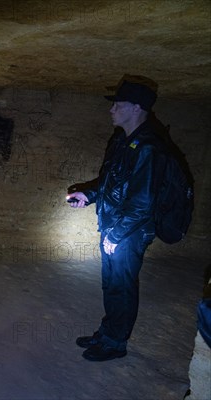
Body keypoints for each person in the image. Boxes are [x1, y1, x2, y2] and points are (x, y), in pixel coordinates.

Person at [67, 78, 165, 361]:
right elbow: (112, 181)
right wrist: (89, 194)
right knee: (112, 284)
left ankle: (115, 344)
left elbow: (143, 202)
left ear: (136, 108)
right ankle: (108, 332)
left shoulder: (148, 147)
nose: (111, 110)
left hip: (130, 230)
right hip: (115, 225)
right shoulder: (123, 140)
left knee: (122, 286)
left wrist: (116, 234)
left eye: (117, 105)